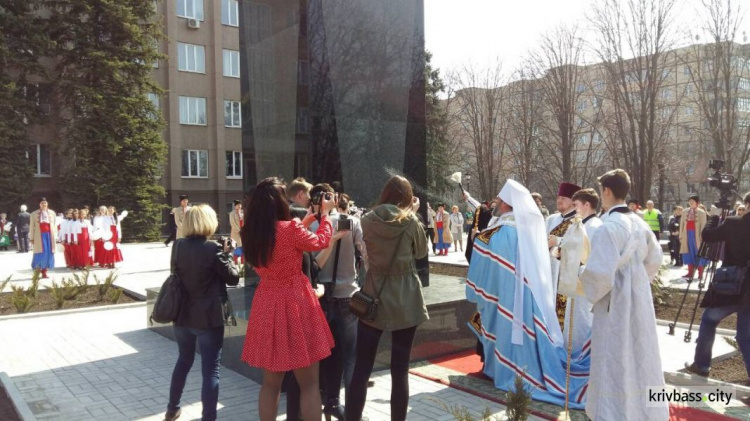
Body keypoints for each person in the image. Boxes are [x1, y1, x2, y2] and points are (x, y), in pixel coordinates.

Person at [465, 179, 587, 409]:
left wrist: (475, 238)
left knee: (507, 328)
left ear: (506, 204)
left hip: (508, 293)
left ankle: (508, 369)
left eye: (499, 200)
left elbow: (485, 246)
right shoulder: (524, 226)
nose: (496, 203)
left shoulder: (504, 231)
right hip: (527, 289)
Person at [241, 177, 335, 421]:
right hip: (295, 302)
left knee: (270, 384)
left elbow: (285, 239)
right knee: (309, 384)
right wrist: (324, 216)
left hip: (266, 301)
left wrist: (308, 219)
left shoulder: (250, 234)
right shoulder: (289, 229)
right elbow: (320, 242)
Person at [579, 169, 667, 421]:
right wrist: (637, 282)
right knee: (640, 352)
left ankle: (613, 413)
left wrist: (579, 272)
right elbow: (656, 259)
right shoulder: (639, 222)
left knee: (614, 356)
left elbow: (599, 274)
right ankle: (644, 411)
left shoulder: (609, 227)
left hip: (614, 303)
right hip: (637, 298)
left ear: (607, 191)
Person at [346, 175, 428, 421]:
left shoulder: (367, 220)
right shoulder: (411, 221)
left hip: (374, 297)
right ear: (406, 197)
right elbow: (422, 252)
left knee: (361, 368)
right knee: (400, 371)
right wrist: (412, 213)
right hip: (405, 300)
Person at [164, 204, 240, 421]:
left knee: (183, 361)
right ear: (210, 222)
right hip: (209, 318)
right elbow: (233, 278)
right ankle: (208, 418)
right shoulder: (213, 249)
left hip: (182, 316)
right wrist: (229, 255)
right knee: (211, 371)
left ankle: (172, 409)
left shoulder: (177, 245)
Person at [684, 191, 750, 383]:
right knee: (745, 336)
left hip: (730, 287)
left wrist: (714, 215)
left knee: (709, 321)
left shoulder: (733, 222)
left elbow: (707, 236)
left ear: (746, 205)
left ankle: (702, 365)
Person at [314, 192, 368, 420]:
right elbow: (365, 253)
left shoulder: (315, 224)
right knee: (351, 358)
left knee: (330, 355)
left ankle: (331, 403)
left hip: (322, 298)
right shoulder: (353, 222)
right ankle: (353, 412)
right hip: (348, 295)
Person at [564, 188, 603, 359]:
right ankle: (572, 357)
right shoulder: (582, 224)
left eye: (576, 205)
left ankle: (580, 359)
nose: (574, 209)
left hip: (584, 286)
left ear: (587, 205)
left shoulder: (595, 227)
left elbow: (594, 260)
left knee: (583, 323)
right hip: (575, 284)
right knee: (574, 323)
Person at [546, 182, 582, 329]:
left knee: (565, 320)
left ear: (573, 202)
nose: (559, 200)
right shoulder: (550, 219)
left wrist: (558, 241)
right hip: (549, 273)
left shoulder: (579, 221)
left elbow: (581, 247)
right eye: (558, 197)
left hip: (567, 276)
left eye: (564, 198)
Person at [679, 195, 708, 279]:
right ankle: (690, 272)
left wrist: (702, 236)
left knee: (698, 252)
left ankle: (700, 273)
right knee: (688, 252)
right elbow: (682, 224)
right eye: (690, 201)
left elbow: (703, 225)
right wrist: (681, 235)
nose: (691, 202)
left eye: (693, 201)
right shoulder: (685, 211)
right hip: (687, 234)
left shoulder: (702, 212)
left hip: (696, 235)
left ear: (697, 202)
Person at [30, 198, 57, 278]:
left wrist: (55, 236)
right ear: (39, 204)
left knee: (48, 253)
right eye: (42, 203)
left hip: (49, 236)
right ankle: (37, 271)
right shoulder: (34, 214)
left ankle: (44, 271)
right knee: (40, 254)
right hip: (39, 236)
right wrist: (31, 238)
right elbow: (32, 227)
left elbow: (55, 226)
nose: (44, 204)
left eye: (45, 203)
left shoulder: (52, 213)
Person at [229, 200, 244, 265]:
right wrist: (238, 230)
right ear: (235, 206)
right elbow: (232, 223)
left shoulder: (243, 213)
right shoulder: (232, 214)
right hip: (236, 233)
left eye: (240, 205)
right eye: (238, 205)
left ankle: (243, 261)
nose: (239, 206)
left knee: (243, 247)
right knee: (237, 247)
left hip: (243, 232)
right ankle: (235, 262)